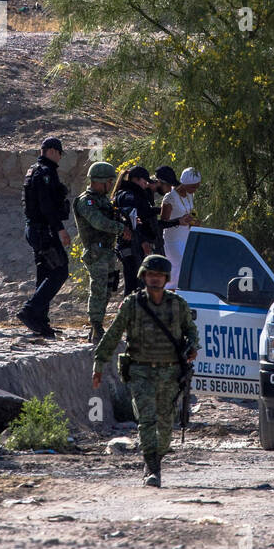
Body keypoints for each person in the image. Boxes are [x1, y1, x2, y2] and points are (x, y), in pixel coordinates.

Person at [91, 255, 199, 487]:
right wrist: (99, 365)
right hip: (140, 372)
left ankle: (156, 456)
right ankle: (152, 467)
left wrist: (192, 348)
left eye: (159, 276)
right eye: (151, 275)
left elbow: (191, 331)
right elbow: (113, 334)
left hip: (170, 374)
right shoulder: (133, 304)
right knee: (147, 421)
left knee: (166, 426)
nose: (155, 279)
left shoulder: (177, 305)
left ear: (166, 279)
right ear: (143, 276)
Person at [17, 137, 71, 338]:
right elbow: (47, 205)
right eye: (59, 153)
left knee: (45, 273)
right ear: (52, 151)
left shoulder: (34, 171)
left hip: (36, 230)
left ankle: (40, 320)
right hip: (45, 230)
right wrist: (60, 229)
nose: (59, 158)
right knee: (60, 270)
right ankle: (31, 310)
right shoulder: (45, 173)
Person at [73, 161, 132, 343]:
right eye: (108, 182)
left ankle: (97, 326)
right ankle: (96, 326)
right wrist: (120, 228)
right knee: (98, 288)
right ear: (99, 181)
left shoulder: (103, 200)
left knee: (107, 289)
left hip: (106, 252)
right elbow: (98, 222)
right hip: (95, 252)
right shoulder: (87, 201)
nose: (110, 186)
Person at [113, 166, 158, 295]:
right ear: (136, 180)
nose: (146, 185)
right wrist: (143, 241)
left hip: (132, 246)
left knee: (137, 284)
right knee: (133, 285)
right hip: (130, 246)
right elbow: (132, 219)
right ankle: (128, 312)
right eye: (144, 182)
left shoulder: (131, 194)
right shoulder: (128, 195)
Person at [157, 166, 200, 289]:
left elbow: (191, 212)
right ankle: (168, 294)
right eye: (193, 186)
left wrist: (194, 221)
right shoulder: (170, 197)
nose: (195, 189)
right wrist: (179, 221)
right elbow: (164, 221)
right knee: (178, 268)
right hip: (173, 240)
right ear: (185, 184)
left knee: (184, 268)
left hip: (186, 237)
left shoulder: (190, 195)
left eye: (197, 186)